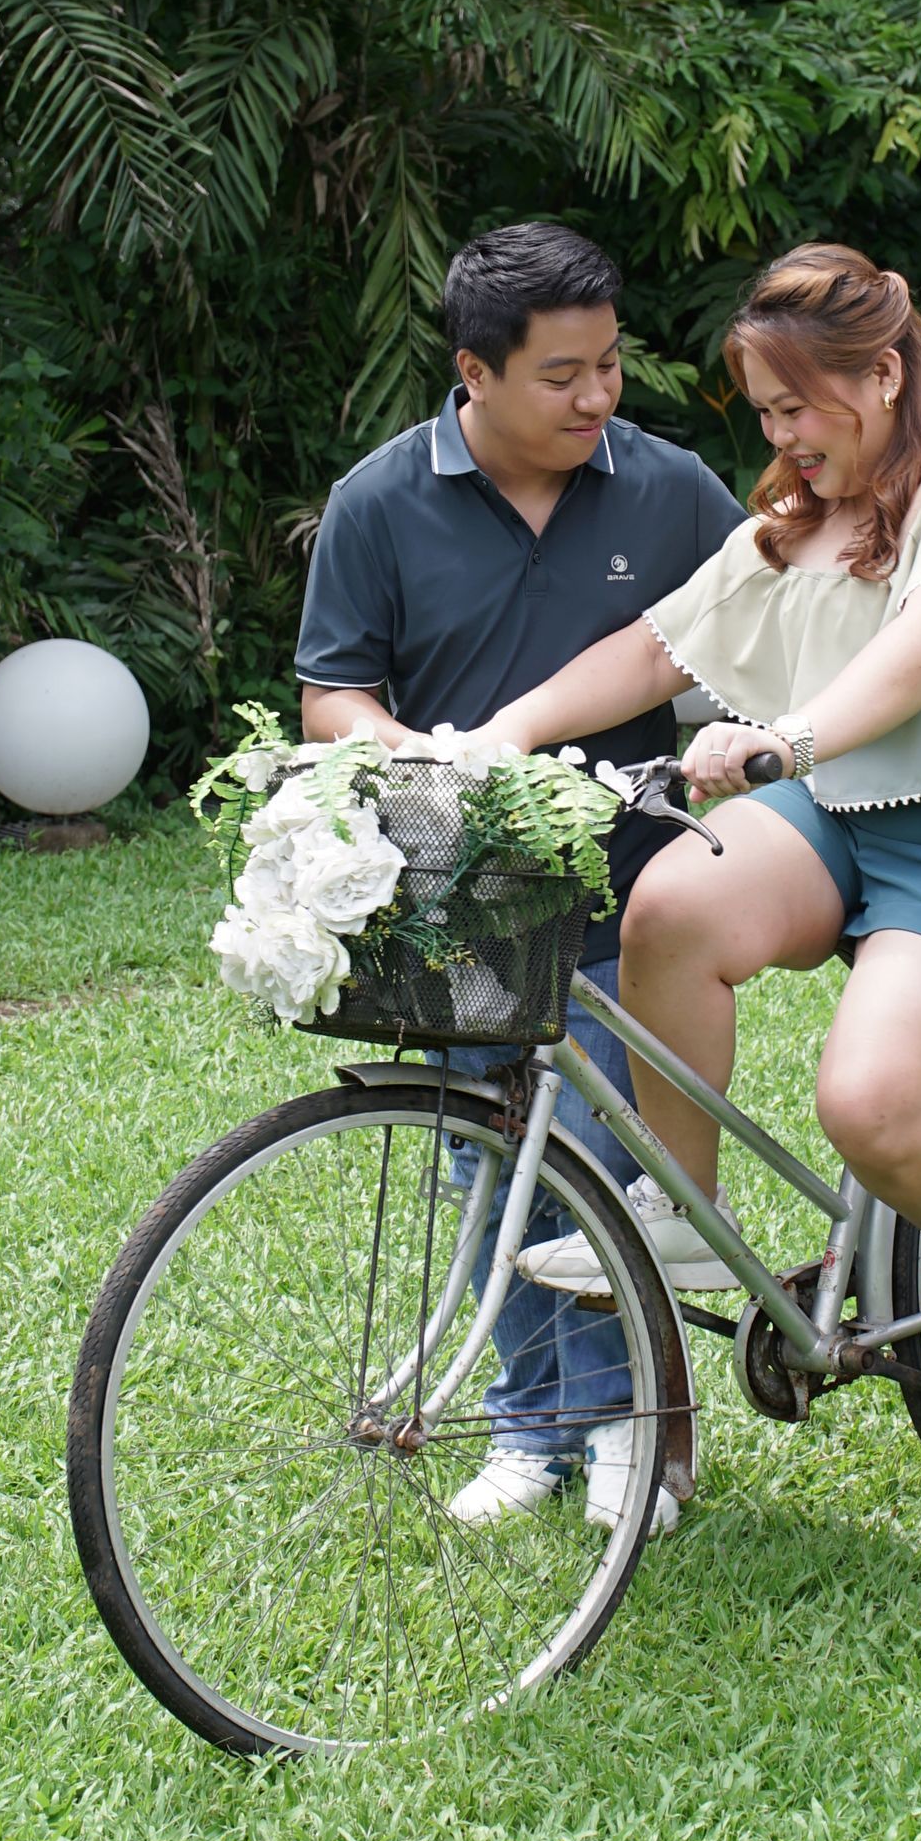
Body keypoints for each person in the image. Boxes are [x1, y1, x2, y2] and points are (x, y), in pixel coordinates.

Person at [469, 241, 921, 1451]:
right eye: (764, 412)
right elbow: (663, 644)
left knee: (872, 1104)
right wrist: (508, 728)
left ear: (882, 374)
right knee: (670, 904)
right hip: (847, 810)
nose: (781, 436)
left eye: (797, 407)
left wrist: (788, 737)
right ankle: (683, 1208)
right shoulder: (813, 501)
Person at [296, 220, 745, 1529]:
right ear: (475, 372)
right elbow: (333, 693)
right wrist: (423, 763)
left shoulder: (667, 488)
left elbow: (764, 615)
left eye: (609, 364)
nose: (597, 395)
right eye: (562, 374)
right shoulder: (380, 500)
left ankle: (622, 1432)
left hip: (626, 892)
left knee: (599, 1161)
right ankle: (531, 1429)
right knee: (488, 1164)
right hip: (461, 893)